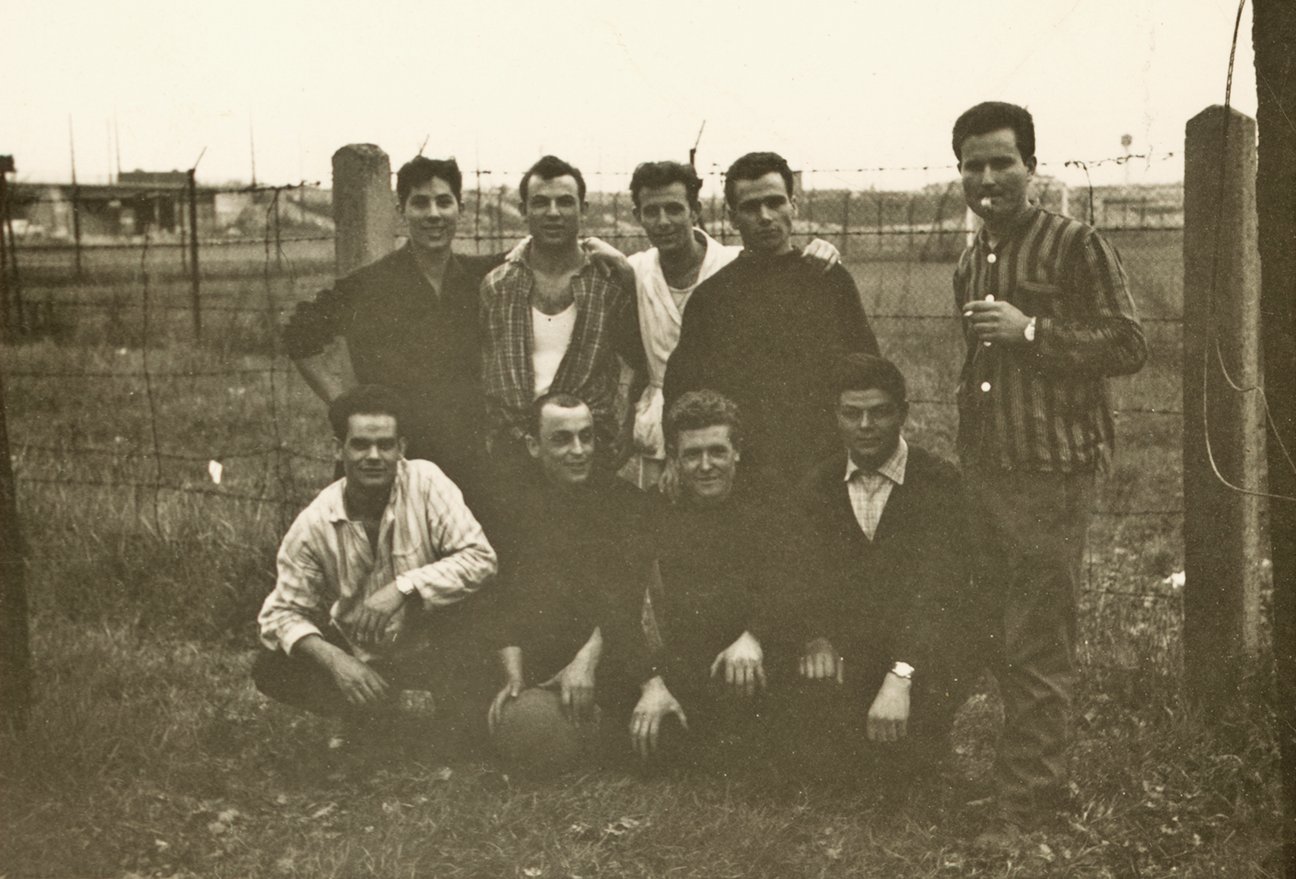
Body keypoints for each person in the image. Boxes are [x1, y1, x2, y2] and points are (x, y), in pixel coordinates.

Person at [950, 101, 1147, 840]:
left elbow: (1128, 343)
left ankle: (1029, 809)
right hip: (989, 475)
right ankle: (1025, 783)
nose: (989, 177)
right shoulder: (972, 257)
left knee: (1037, 640)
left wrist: (1029, 329)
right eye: (974, 164)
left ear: (1031, 166)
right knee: (1000, 635)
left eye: (1003, 161)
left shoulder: (1072, 242)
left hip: (1050, 475)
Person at [252, 385, 498, 747]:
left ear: (402, 449)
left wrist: (403, 588)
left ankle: (443, 716)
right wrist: (338, 662)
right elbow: (278, 616)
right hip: (365, 650)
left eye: (385, 445)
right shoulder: (316, 521)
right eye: (360, 444)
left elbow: (480, 558)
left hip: (436, 639)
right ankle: (371, 710)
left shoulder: (426, 482)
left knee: (464, 737)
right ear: (339, 449)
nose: (373, 456)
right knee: (273, 667)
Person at [779, 353, 974, 785]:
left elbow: (944, 592)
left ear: (903, 412)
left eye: (880, 412)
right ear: (835, 416)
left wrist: (902, 674)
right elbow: (798, 576)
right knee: (824, 769)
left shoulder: (939, 484)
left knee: (906, 775)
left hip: (920, 657)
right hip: (850, 654)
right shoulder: (817, 487)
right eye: (852, 413)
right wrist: (815, 637)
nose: (865, 426)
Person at [284, 157, 503, 497]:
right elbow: (298, 334)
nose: (433, 214)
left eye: (444, 202)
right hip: (390, 460)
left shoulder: (480, 279)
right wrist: (346, 405)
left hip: (464, 461)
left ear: (461, 207)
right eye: (420, 202)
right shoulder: (370, 285)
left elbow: (537, 255)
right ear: (401, 210)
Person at [662, 151, 879, 487]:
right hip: (745, 472)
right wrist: (676, 458)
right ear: (732, 218)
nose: (765, 216)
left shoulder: (829, 280)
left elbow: (869, 371)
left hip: (826, 465)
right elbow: (683, 389)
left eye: (775, 202)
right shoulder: (712, 298)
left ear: (794, 205)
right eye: (750, 207)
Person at [624, 161, 842, 489]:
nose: (664, 221)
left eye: (674, 209)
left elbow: (778, 262)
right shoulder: (638, 272)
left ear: (695, 211)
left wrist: (826, 252)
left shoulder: (740, 265)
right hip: (698, 440)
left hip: (793, 443)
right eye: (651, 211)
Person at [628, 390, 798, 766]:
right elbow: (623, 601)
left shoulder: (769, 506)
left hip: (752, 657)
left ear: (737, 451)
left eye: (717, 451)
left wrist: (755, 636)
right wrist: (650, 682)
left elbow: (791, 580)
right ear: (674, 457)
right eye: (692, 454)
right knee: (661, 743)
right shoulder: (655, 511)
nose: (706, 465)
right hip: (684, 665)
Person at [483, 393, 653, 766]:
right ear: (533, 445)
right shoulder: (510, 506)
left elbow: (626, 597)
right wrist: (512, 675)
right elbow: (501, 597)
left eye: (586, 436)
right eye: (562, 439)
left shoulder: (626, 503)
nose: (579, 450)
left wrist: (585, 662)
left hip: (607, 651)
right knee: (514, 724)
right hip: (539, 659)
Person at [480, 156, 646, 471]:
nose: (553, 213)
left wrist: (627, 424)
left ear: (583, 209)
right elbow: (485, 371)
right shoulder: (497, 286)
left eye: (565, 202)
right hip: (514, 452)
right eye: (540, 202)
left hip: (589, 449)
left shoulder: (607, 285)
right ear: (523, 210)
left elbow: (643, 361)